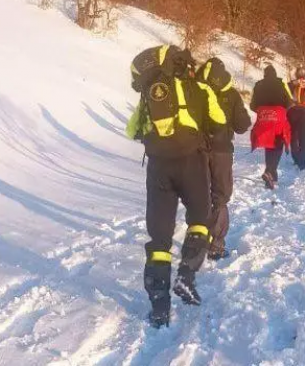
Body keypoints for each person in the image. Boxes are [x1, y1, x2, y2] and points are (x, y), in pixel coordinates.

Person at [125, 45, 228, 328]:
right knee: (199, 220)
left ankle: (159, 309)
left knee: (159, 238)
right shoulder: (200, 89)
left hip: (158, 167)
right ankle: (186, 275)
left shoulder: (149, 94)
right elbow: (220, 122)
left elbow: (131, 130)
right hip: (192, 163)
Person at [196, 57, 251, 261]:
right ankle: (216, 245)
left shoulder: (194, 90)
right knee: (220, 196)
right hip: (221, 151)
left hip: (197, 150)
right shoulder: (232, 94)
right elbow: (242, 125)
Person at [250, 64, 293, 189]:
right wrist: (282, 110)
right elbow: (289, 102)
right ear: (275, 74)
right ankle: (270, 172)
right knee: (278, 143)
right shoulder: (281, 84)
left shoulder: (258, 85)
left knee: (269, 144)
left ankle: (271, 174)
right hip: (278, 116)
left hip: (263, 117)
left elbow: (252, 105)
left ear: (264, 74)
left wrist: (262, 110)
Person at [287, 67, 305, 170]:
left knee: (293, 137)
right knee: (303, 137)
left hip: (292, 111)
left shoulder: (291, 84)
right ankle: (302, 162)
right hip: (304, 111)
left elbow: (286, 95)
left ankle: (295, 158)